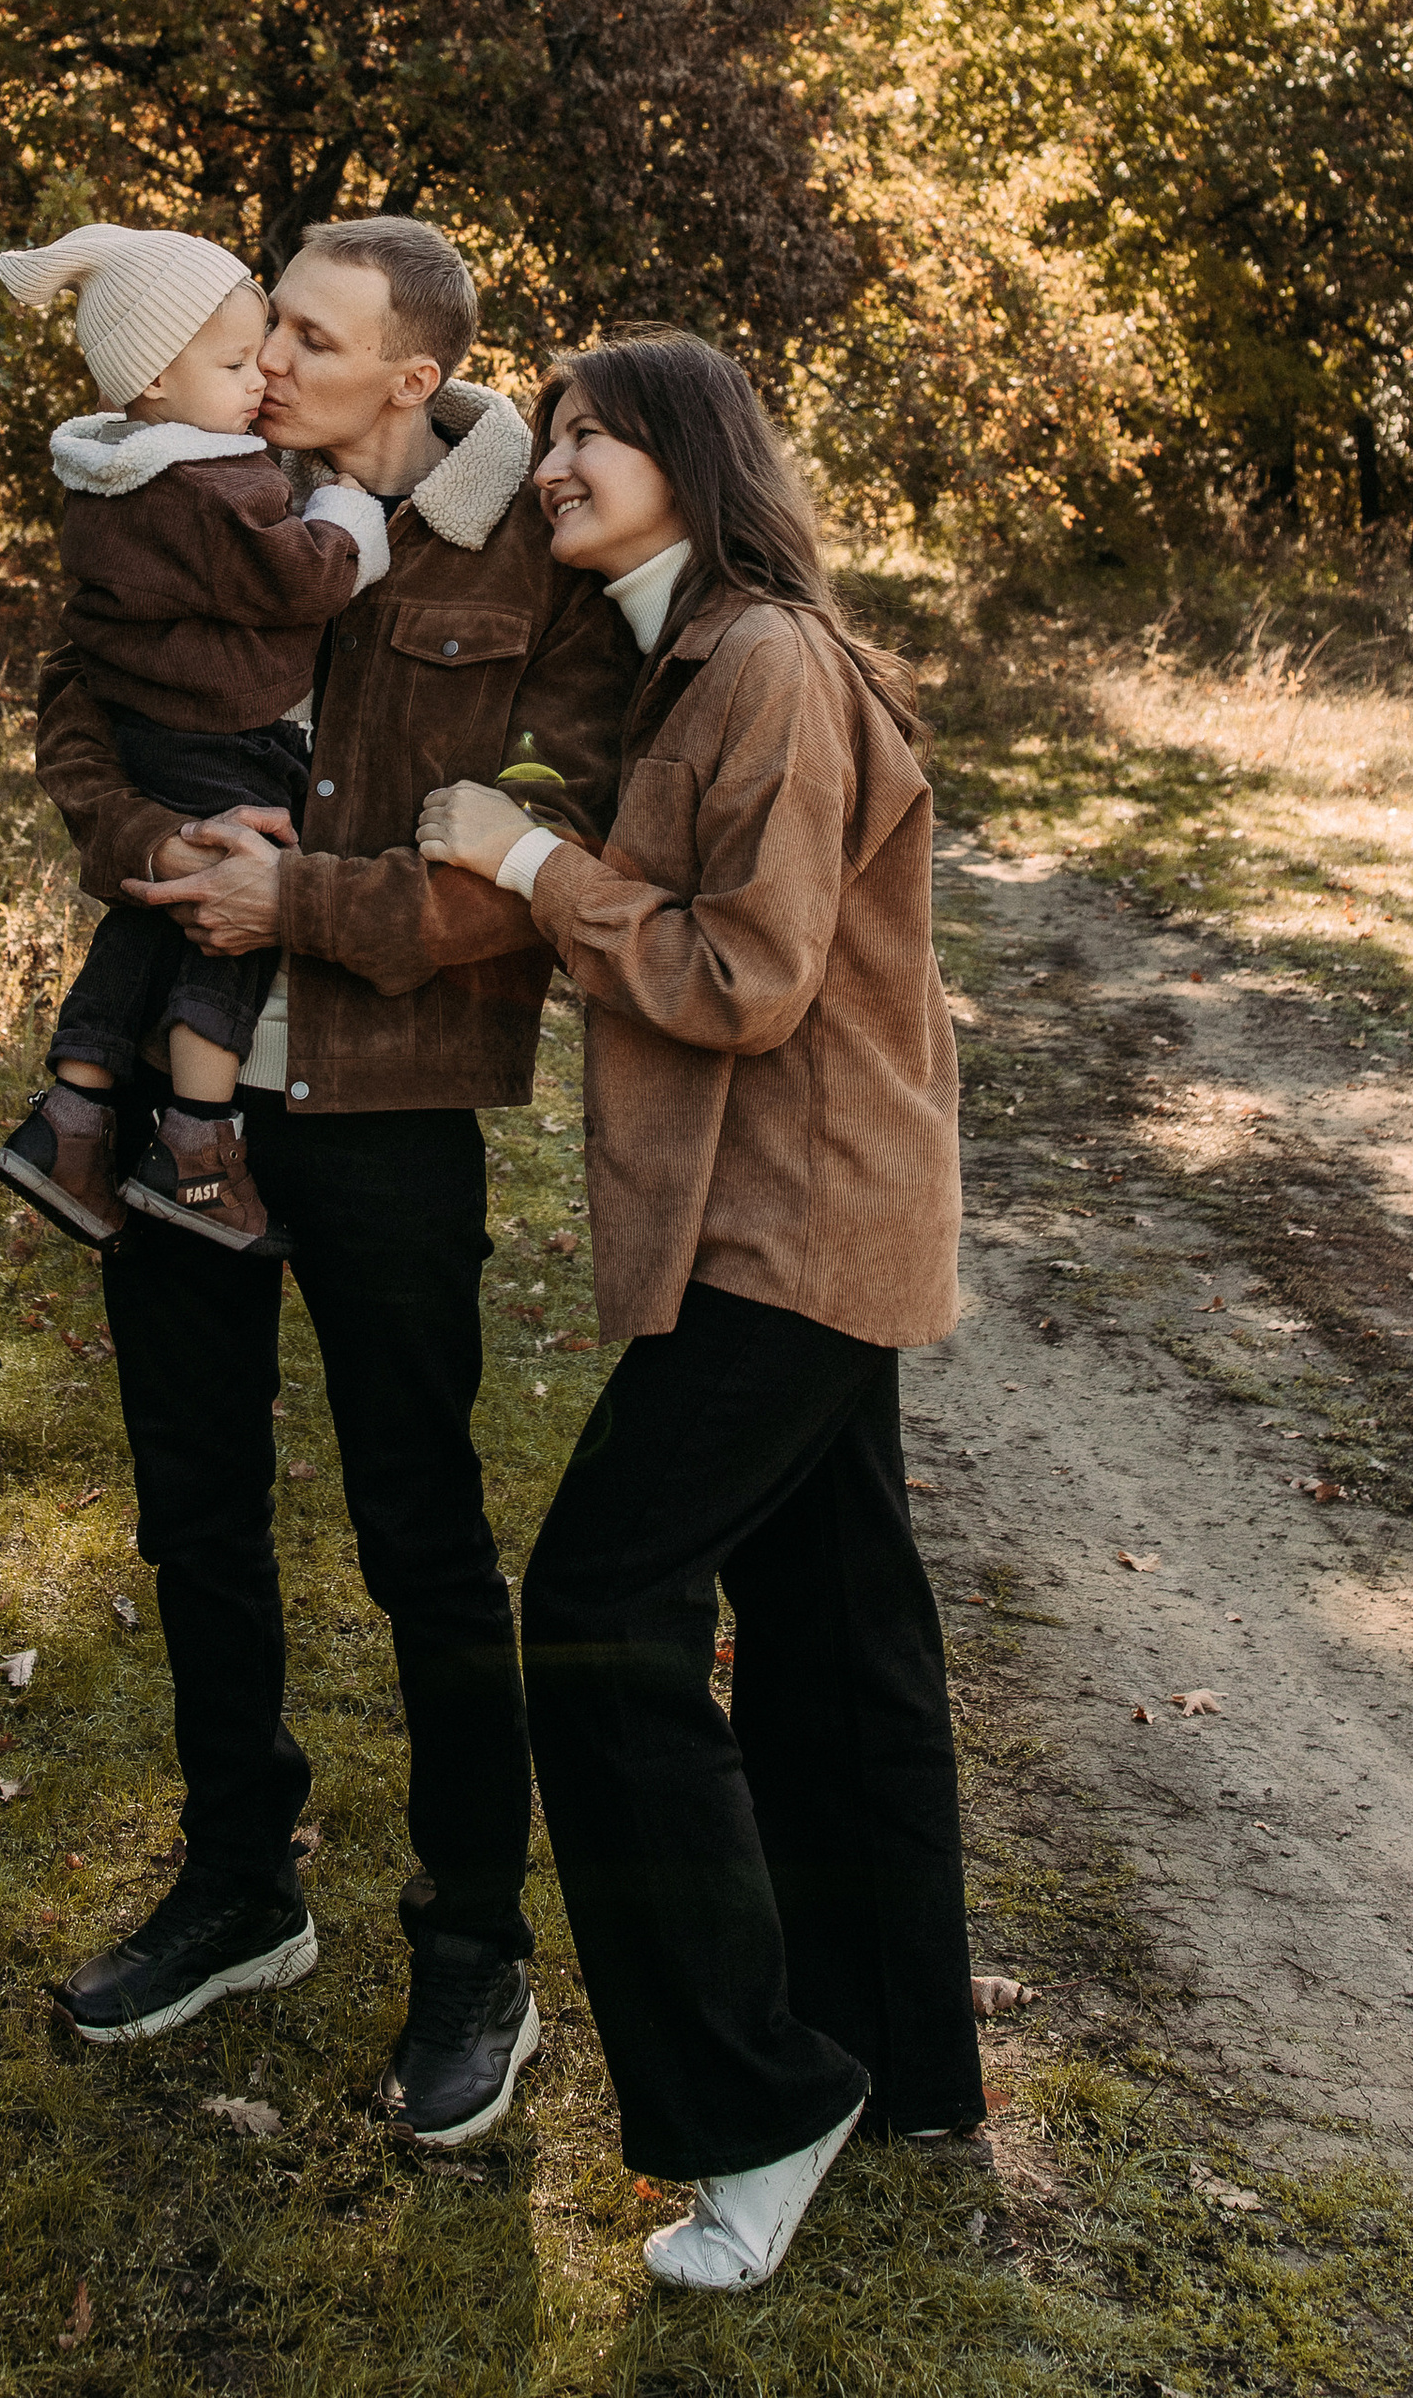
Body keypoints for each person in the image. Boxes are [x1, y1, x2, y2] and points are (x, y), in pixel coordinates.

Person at [27, 217, 635, 2145]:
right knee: (193, 1514)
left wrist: (330, 904)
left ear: (415, 373)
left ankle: (474, 1949)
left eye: (307, 333)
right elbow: (70, 697)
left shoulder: (512, 546)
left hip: (385, 1101)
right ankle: (238, 1887)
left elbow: (595, 822)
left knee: (422, 1537)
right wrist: (153, 847)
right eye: (261, 319)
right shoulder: (194, 481)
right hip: (170, 1095)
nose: (261, 351)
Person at [417, 332, 982, 2289]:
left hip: (796, 1233)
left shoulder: (758, 665)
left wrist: (529, 862)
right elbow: (504, 605)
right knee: (836, 1643)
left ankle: (755, 2097)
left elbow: (741, 980)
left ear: (698, 458)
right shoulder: (679, 657)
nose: (560, 460)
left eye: (598, 435)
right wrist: (477, 456)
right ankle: (907, 2065)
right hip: (804, 1220)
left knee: (592, 1610)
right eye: (550, 432)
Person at [0, 225, 387, 1256]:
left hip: (150, 739)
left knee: (149, 920)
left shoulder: (113, 474)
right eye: (239, 361)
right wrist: (344, 512)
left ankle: (72, 1115)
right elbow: (304, 579)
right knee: (231, 917)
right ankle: (197, 1150)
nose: (263, 378)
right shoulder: (213, 485)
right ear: (157, 377)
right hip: (226, 741)